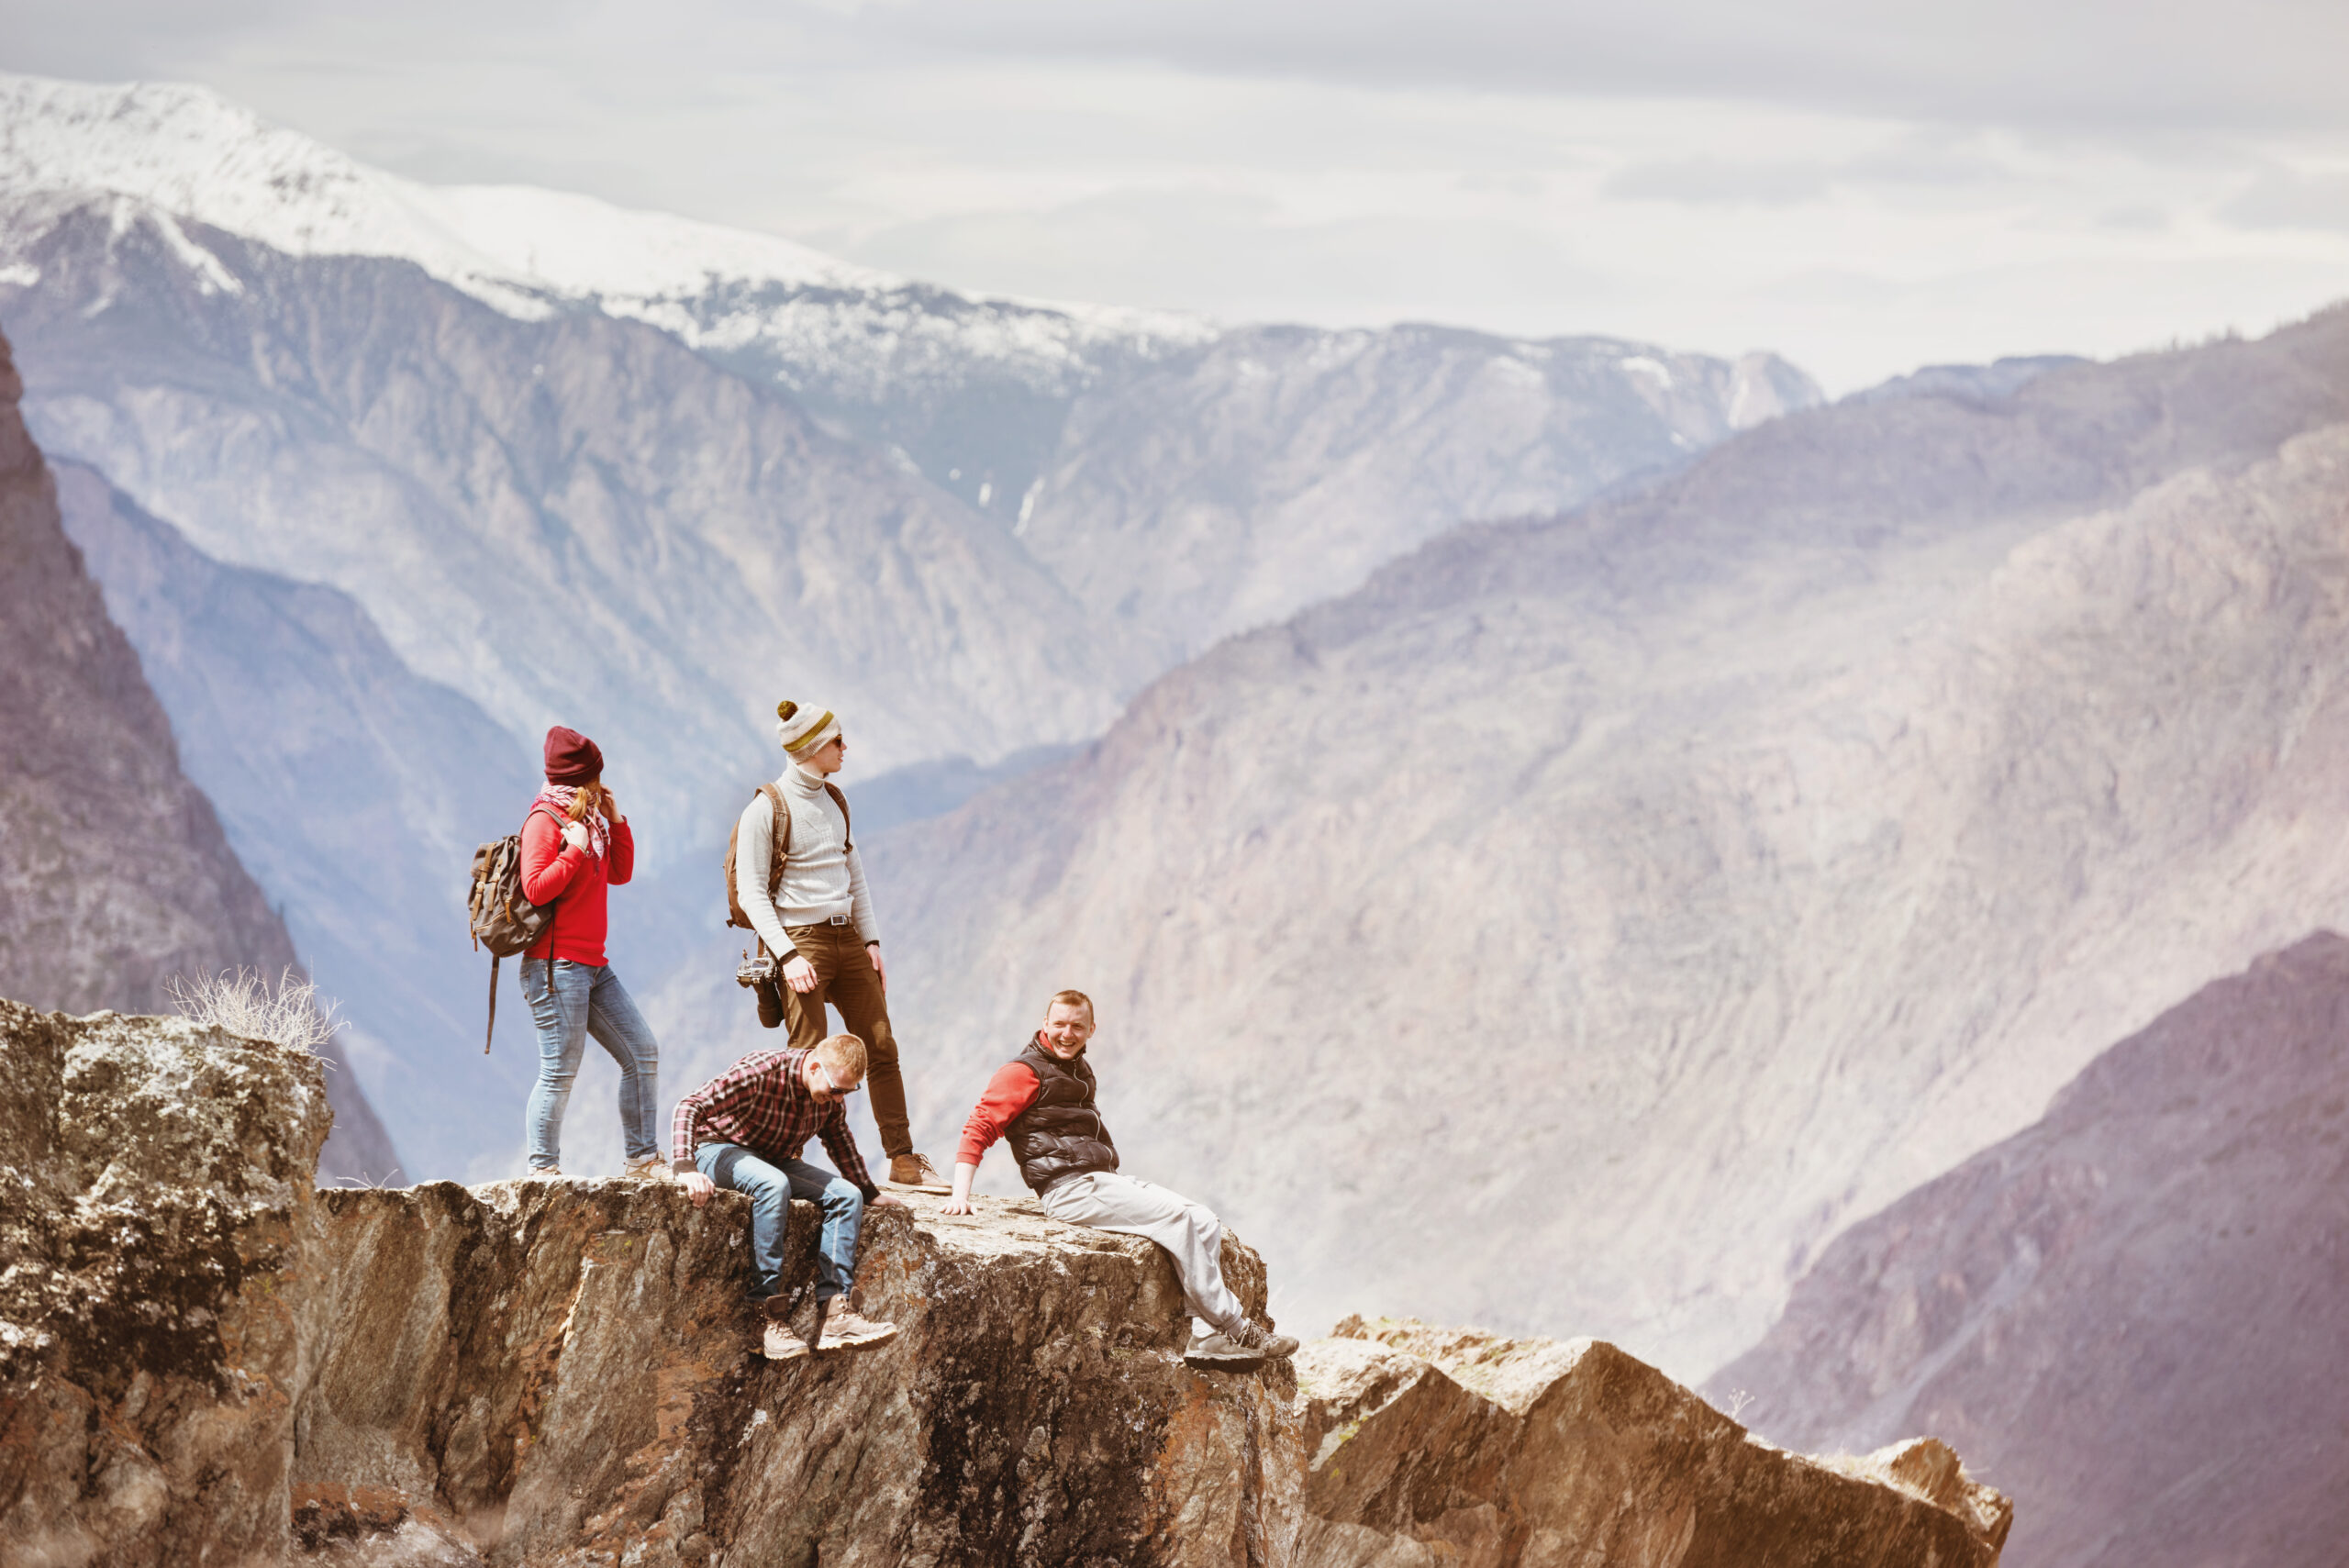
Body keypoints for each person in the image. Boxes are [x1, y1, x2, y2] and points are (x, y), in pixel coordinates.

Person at [942, 990, 1297, 1369]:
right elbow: (980, 1126)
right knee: (1176, 1222)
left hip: (1100, 1178)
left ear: (1092, 1029)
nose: (1067, 1033)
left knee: (1204, 1220)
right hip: (1068, 1190)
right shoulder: (1023, 1072)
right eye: (1059, 1024)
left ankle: (1207, 1338)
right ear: (1044, 1024)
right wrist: (960, 1194)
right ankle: (1236, 1327)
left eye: (1077, 1026)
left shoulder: (1077, 1068)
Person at [730, 699, 949, 1193]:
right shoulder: (765, 808)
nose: (845, 748)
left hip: (846, 937)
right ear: (810, 748)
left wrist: (870, 940)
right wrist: (787, 955)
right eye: (836, 741)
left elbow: (854, 874)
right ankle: (784, 1160)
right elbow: (750, 892)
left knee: (881, 1045)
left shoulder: (835, 800)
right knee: (807, 1057)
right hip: (801, 941)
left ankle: (903, 1159)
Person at [674, 1032, 906, 1361]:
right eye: (836, 1090)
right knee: (774, 1185)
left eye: (848, 1092)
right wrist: (685, 1167)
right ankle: (765, 1318)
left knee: (846, 1196)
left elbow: (839, 1138)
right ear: (813, 1067)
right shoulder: (761, 1071)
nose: (839, 1099)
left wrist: (868, 1191)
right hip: (718, 1149)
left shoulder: (827, 1098)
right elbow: (690, 1105)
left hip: (772, 1159)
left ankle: (837, 1315)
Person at [517, 725, 664, 1180]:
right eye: (595, 778)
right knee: (559, 1069)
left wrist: (616, 822)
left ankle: (642, 1159)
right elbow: (536, 888)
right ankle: (542, 1171)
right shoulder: (545, 821)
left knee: (642, 1052)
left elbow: (620, 873)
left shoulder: (593, 821)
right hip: (555, 966)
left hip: (593, 965)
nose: (601, 785)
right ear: (578, 779)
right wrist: (573, 853)